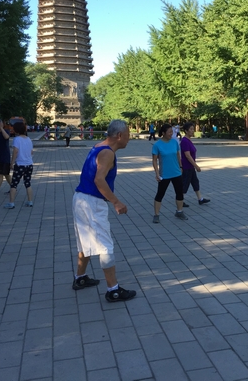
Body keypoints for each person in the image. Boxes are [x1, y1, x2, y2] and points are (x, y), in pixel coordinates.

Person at [72, 119, 137, 302]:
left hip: (81, 199)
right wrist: (116, 202)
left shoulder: (98, 146)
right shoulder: (107, 153)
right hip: (92, 202)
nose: (129, 138)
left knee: (85, 242)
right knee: (105, 246)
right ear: (119, 136)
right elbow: (99, 180)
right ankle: (113, 290)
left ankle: (80, 278)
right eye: (128, 135)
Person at [152, 124, 187, 223]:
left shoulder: (174, 143)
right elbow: (154, 160)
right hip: (164, 174)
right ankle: (156, 215)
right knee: (160, 194)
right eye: (169, 132)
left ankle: (179, 211)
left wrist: (181, 166)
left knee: (179, 193)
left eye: (172, 132)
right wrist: (157, 173)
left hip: (176, 173)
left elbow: (178, 155)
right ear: (163, 133)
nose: (171, 134)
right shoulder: (157, 145)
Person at [4, 122, 34, 209]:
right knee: (27, 183)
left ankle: (11, 203)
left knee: (14, 184)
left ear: (16, 130)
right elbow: (31, 152)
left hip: (20, 164)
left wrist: (12, 163)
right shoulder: (28, 139)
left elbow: (15, 151)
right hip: (29, 164)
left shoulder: (16, 139)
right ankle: (30, 201)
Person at [180, 122, 210, 207]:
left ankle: (200, 199)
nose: (193, 131)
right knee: (185, 184)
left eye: (193, 129)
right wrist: (196, 166)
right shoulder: (184, 141)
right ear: (186, 131)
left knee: (195, 182)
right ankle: (180, 200)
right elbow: (187, 155)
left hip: (191, 166)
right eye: (191, 129)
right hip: (187, 166)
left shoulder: (189, 140)